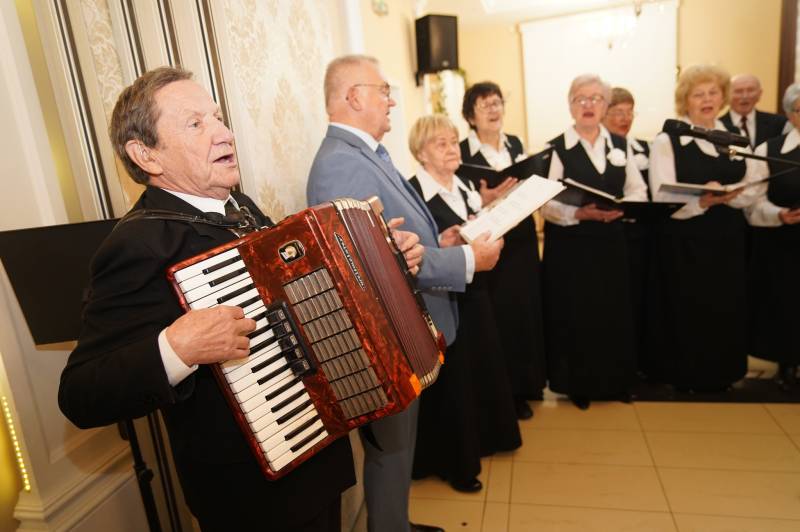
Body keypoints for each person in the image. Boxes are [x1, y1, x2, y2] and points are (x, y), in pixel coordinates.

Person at [57, 67, 363, 531]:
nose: (224, 133)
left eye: (217, 117)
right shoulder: (138, 244)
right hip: (251, 497)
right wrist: (176, 349)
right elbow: (81, 393)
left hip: (316, 450)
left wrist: (365, 263)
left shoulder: (241, 209)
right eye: (196, 123)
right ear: (146, 154)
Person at [306, 55, 503, 532]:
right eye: (384, 90)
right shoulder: (340, 164)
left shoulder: (365, 153)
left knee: (400, 447)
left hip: (407, 328)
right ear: (354, 97)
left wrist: (442, 242)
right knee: (391, 449)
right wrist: (466, 260)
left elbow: (397, 242)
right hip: (388, 336)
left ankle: (396, 523)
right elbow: (369, 268)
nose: (392, 100)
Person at [407, 114, 520, 493]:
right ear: (421, 152)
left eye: (454, 141)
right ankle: (455, 461)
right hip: (441, 296)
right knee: (453, 381)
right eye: (441, 143)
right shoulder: (414, 193)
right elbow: (414, 254)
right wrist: (444, 243)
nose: (452, 149)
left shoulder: (466, 186)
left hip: (476, 290)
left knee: (480, 366)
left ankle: (485, 439)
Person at [648, 65, 763, 391]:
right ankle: (686, 375)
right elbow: (662, 194)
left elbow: (755, 183)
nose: (707, 99)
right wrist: (701, 201)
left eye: (713, 92)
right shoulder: (668, 140)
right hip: (687, 238)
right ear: (686, 100)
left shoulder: (736, 137)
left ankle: (723, 373)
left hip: (728, 236)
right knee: (689, 306)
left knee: (725, 305)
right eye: (698, 94)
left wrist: (731, 196)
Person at [541, 74, 648, 410]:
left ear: (605, 105)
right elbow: (545, 203)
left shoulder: (621, 145)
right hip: (572, 246)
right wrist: (578, 213)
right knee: (577, 313)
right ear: (570, 105)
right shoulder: (555, 148)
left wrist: (623, 207)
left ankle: (616, 382)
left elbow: (638, 189)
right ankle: (578, 384)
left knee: (613, 311)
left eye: (595, 99)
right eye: (580, 99)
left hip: (611, 243)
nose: (588, 105)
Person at [459, 81, 546, 420]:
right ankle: (506, 393)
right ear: (470, 115)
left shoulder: (516, 144)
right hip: (488, 241)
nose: (494, 110)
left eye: (497, 103)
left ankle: (529, 383)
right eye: (485, 105)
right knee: (500, 314)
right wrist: (484, 199)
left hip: (522, 238)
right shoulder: (462, 153)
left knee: (525, 310)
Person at [745, 83, 800, 389]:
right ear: (790, 115)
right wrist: (778, 214)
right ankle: (787, 363)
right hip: (783, 243)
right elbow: (753, 200)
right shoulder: (769, 150)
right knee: (786, 304)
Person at [602, 87, 652, 375]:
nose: (624, 118)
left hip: (642, 234)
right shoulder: (601, 148)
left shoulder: (645, 148)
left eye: (629, 112)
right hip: (611, 233)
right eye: (617, 112)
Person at [720, 74, 788, 148]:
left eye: (750, 90)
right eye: (738, 91)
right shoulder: (719, 126)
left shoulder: (779, 123)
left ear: (760, 93)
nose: (745, 96)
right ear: (727, 95)